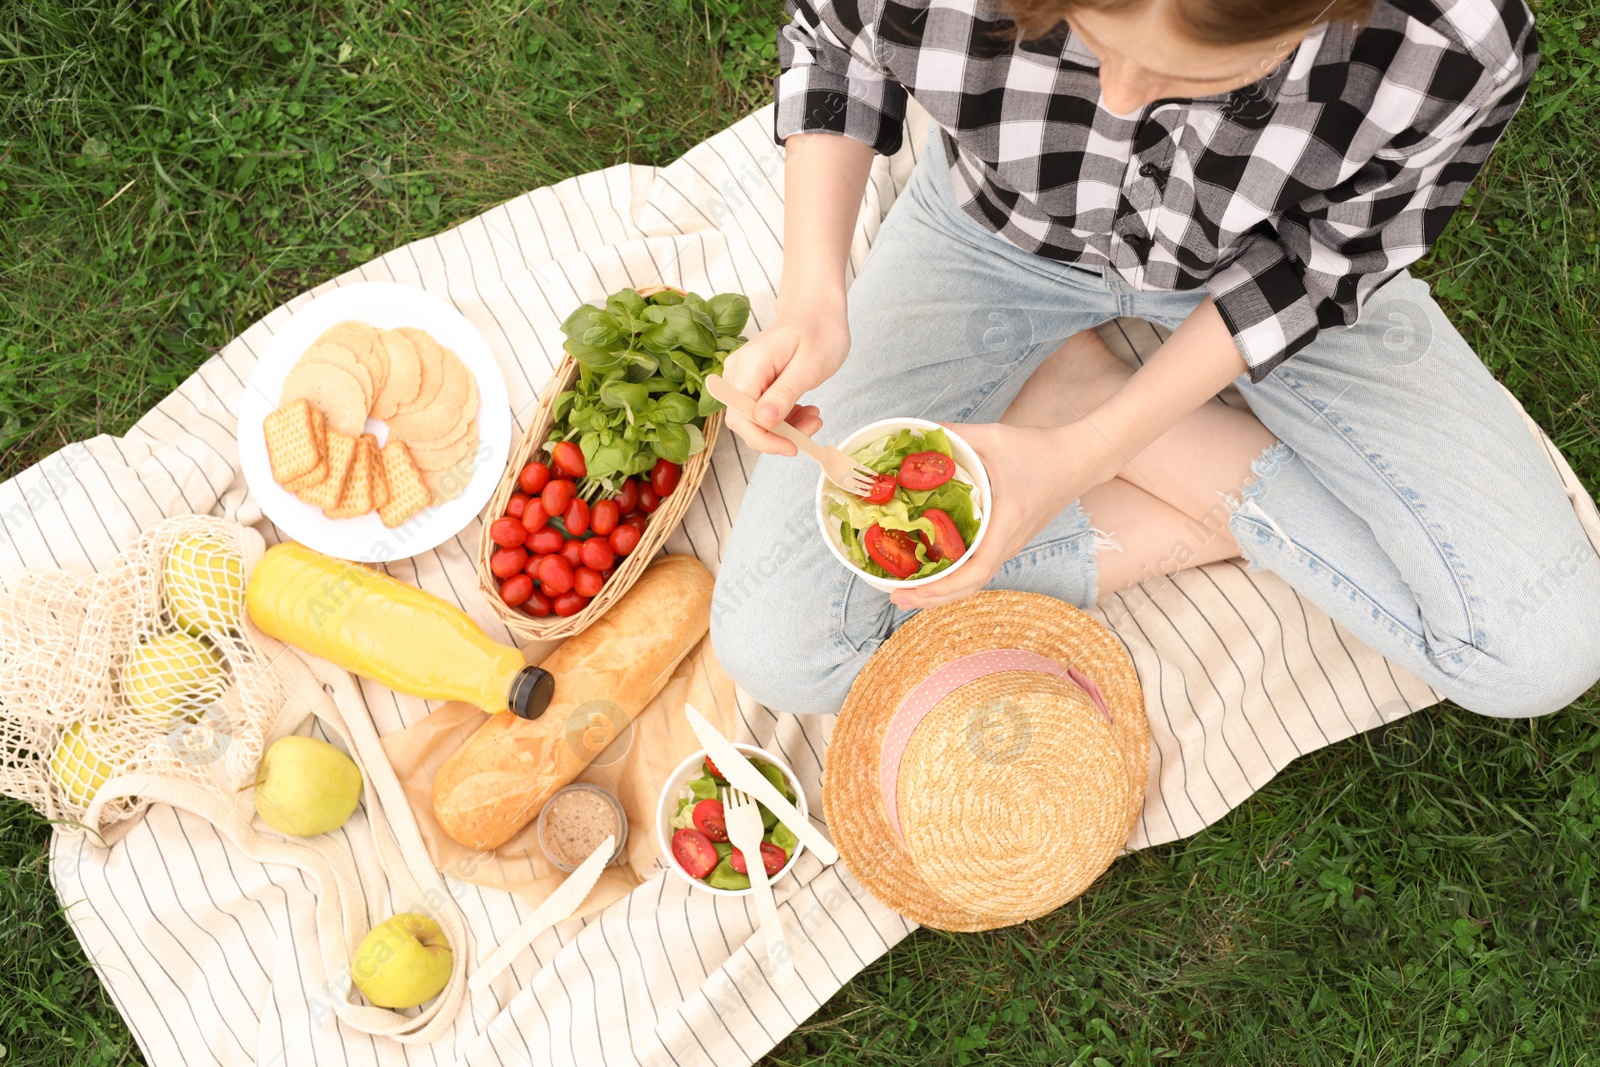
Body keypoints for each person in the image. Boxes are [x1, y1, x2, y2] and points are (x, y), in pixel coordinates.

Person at [710, 0, 1600, 718]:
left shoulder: (1451, 35)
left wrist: (1085, 453)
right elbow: (835, 44)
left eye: (1196, 80)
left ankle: (1107, 410)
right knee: (783, 650)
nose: (1125, 97)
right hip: (992, 244)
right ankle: (1180, 466)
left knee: (1539, 653)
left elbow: (1319, 268)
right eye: (1086, 31)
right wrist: (815, 293)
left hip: (1262, 273)